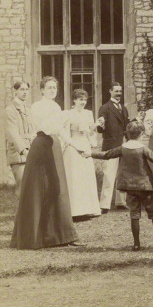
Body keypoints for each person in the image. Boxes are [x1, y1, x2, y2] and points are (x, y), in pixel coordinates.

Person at [10, 76, 85, 249]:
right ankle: (34, 237)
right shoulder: (36, 107)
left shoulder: (56, 107)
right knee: (37, 190)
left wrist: (76, 146)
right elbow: (47, 128)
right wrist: (64, 119)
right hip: (41, 146)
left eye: (55, 88)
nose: (53, 90)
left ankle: (61, 236)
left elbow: (60, 132)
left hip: (54, 146)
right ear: (42, 90)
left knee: (58, 190)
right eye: (49, 87)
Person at [87, 121, 153, 251]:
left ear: (128, 134)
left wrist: (90, 154)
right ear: (141, 134)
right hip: (145, 186)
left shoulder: (123, 148)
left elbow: (106, 155)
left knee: (134, 214)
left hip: (130, 187)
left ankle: (136, 244)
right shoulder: (143, 148)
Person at [63, 89, 102, 220]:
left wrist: (95, 126)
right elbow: (66, 132)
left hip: (84, 144)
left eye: (85, 100)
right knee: (75, 178)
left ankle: (87, 209)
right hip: (73, 146)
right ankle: (75, 211)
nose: (83, 102)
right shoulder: (68, 114)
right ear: (74, 100)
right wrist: (69, 145)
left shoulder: (88, 113)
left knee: (86, 176)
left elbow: (90, 133)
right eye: (80, 99)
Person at [97, 82, 129, 214]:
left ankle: (121, 202)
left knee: (122, 175)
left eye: (120, 91)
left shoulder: (123, 108)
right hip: (110, 146)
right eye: (116, 91)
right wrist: (101, 124)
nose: (119, 93)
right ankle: (104, 205)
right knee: (109, 175)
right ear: (110, 91)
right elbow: (100, 128)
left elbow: (126, 126)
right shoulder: (105, 108)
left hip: (123, 145)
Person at [5, 81, 35, 197]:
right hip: (19, 154)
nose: (25, 92)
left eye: (27, 90)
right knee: (22, 187)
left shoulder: (27, 109)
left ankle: (29, 214)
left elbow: (32, 131)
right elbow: (13, 134)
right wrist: (24, 151)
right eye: (22, 89)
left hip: (30, 152)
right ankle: (22, 215)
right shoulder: (10, 110)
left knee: (31, 187)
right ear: (15, 91)